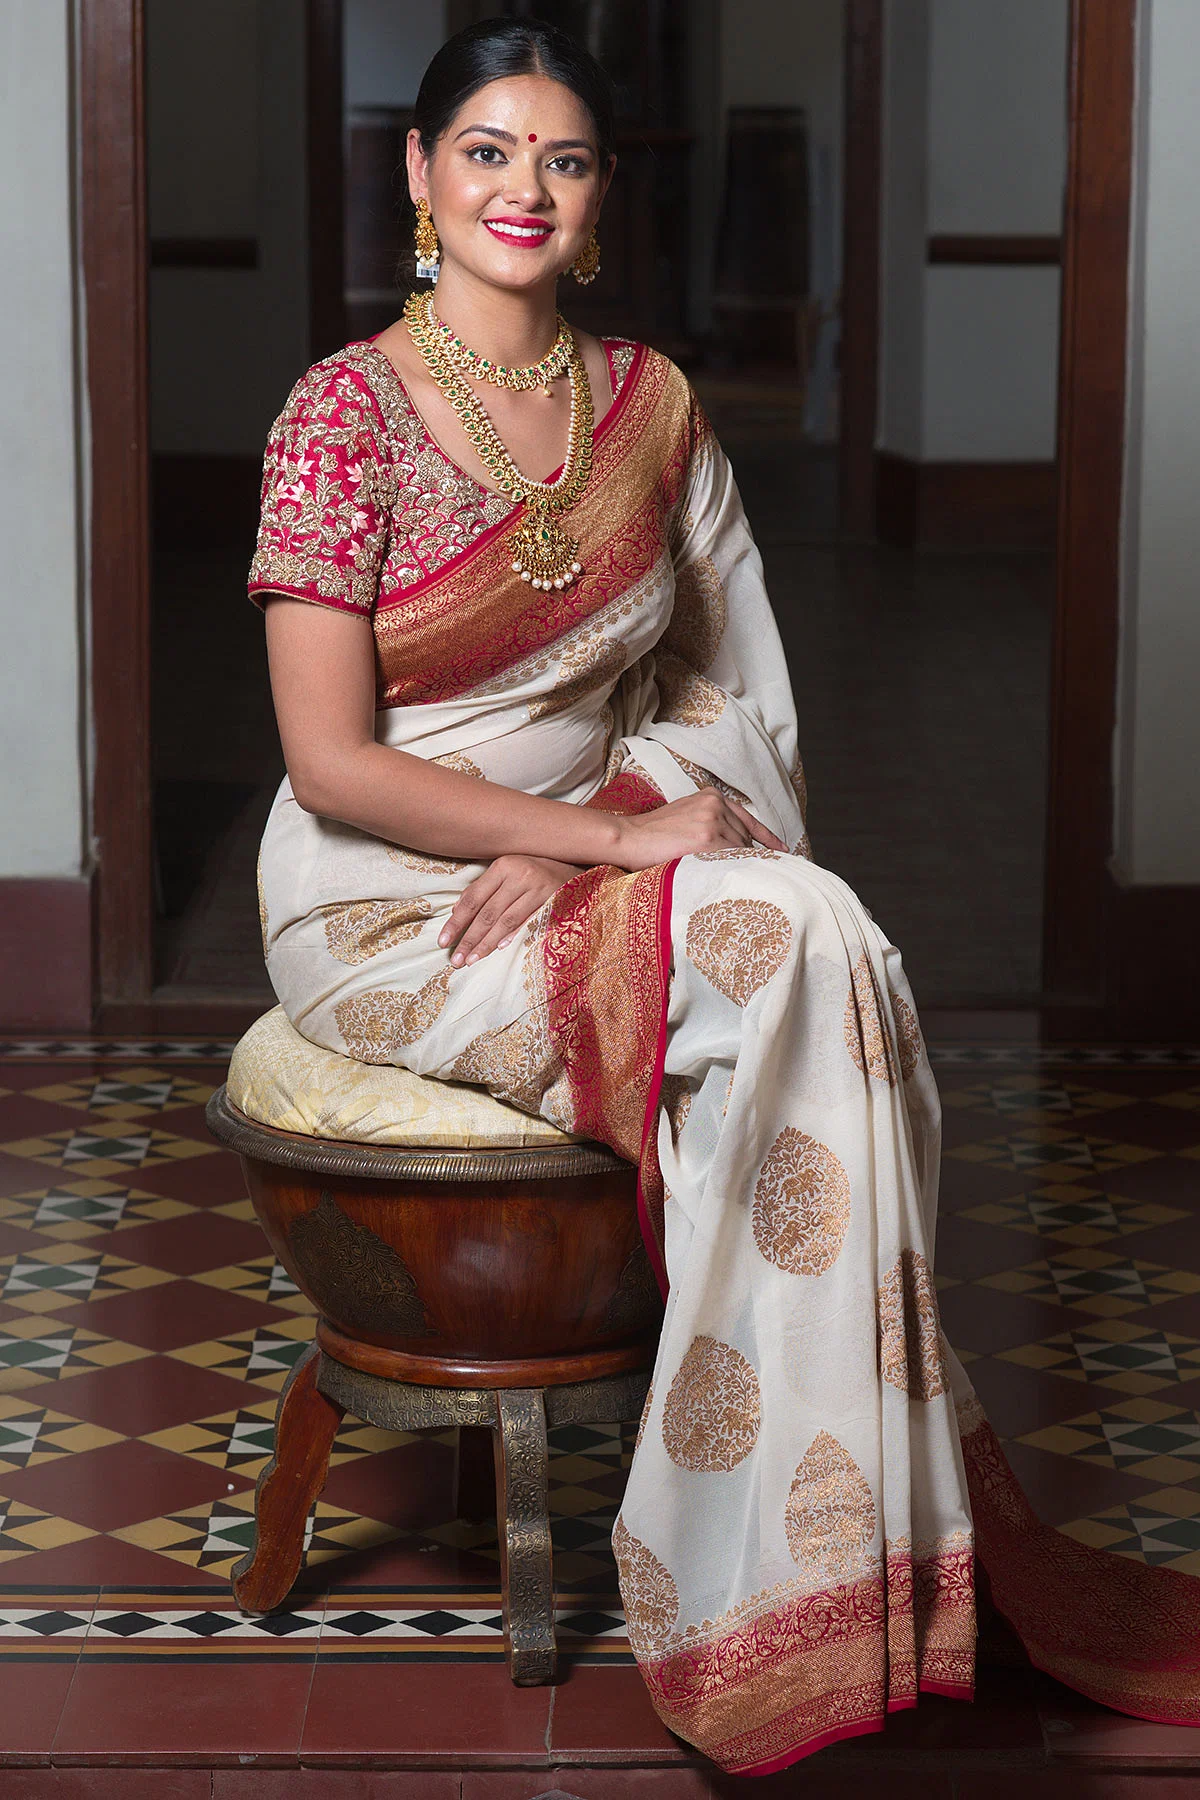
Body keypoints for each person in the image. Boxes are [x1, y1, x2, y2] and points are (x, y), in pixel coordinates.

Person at [248, 16, 1200, 1777]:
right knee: (811, 944)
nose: (523, 188)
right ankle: (783, 1582)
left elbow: (735, 700)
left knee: (823, 942)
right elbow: (332, 764)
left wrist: (604, 816)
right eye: (486, 150)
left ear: (601, 194)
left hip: (611, 847)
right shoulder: (343, 416)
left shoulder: (652, 410)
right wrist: (583, 844)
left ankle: (812, 1572)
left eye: (564, 157)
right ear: (418, 174)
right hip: (392, 905)